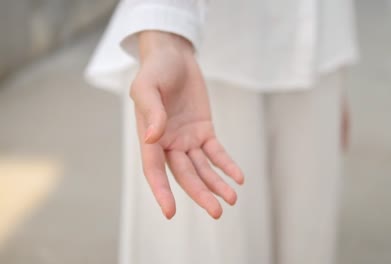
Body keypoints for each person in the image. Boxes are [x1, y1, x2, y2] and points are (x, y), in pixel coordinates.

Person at [85, 0, 358, 263]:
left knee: (307, 245)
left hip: (320, 45)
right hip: (205, 56)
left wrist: (339, 83)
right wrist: (164, 30)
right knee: (208, 247)